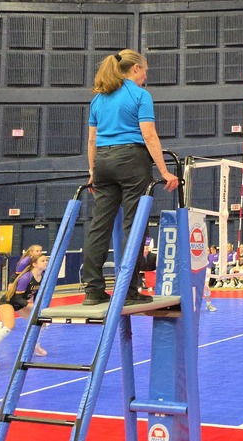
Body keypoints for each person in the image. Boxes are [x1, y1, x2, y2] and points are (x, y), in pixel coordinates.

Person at [83, 49, 179, 307]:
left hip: (102, 161)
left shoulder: (98, 99)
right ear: (135, 68)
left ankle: (93, 291)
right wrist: (164, 170)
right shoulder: (140, 95)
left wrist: (93, 172)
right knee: (134, 225)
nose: (146, 75)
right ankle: (128, 290)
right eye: (145, 70)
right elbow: (149, 135)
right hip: (132, 160)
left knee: (99, 226)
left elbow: (92, 140)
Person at [0, 254, 50, 370]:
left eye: (46, 260)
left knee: (41, 322)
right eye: (43, 261)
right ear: (34, 264)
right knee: (9, 326)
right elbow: (17, 298)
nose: (46, 262)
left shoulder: (41, 277)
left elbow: (36, 296)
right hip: (8, 302)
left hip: (20, 303)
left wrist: (39, 307)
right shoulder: (26, 277)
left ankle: (34, 345)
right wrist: (31, 306)